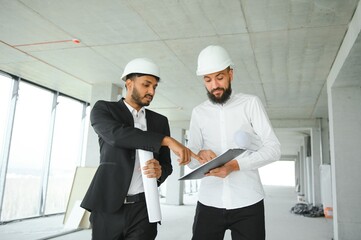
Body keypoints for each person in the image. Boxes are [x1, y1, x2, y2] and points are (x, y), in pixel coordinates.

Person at [81, 58, 199, 240]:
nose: (151, 91)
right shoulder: (104, 109)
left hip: (144, 209)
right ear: (129, 84)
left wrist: (160, 172)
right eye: (146, 85)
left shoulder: (160, 122)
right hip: (108, 208)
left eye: (155, 87)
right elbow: (116, 136)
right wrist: (165, 140)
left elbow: (166, 165)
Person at [187, 45, 281, 240]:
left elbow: (273, 149)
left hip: (248, 202)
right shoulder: (198, 113)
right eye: (208, 80)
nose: (214, 85)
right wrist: (198, 156)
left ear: (231, 74)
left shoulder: (250, 104)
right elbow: (191, 159)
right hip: (208, 202)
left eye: (219, 77)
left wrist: (235, 165)